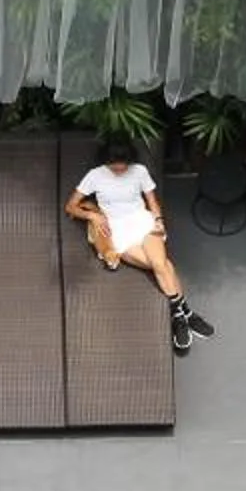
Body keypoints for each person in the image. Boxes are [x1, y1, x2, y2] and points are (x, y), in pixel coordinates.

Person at [67, 136, 213, 352]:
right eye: (114, 164)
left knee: (160, 265)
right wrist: (94, 217)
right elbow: (71, 206)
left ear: (129, 160)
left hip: (142, 223)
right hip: (118, 233)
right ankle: (185, 312)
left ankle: (178, 317)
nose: (118, 168)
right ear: (106, 160)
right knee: (163, 266)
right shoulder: (95, 176)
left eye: (122, 164)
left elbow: (152, 200)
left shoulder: (139, 171)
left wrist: (159, 221)